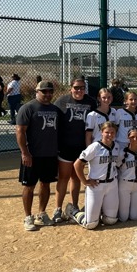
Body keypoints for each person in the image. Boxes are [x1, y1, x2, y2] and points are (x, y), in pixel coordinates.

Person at [16, 81, 60, 231]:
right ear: (37, 91)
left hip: (50, 154)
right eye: (44, 91)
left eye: (50, 92)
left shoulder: (55, 110)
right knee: (29, 186)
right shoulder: (28, 108)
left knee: (46, 184)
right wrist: (25, 153)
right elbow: (20, 131)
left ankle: (41, 214)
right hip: (32, 155)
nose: (47, 94)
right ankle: (28, 217)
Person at [53, 78, 97, 223]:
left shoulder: (90, 102)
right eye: (76, 88)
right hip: (65, 146)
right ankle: (58, 209)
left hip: (81, 147)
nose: (79, 91)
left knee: (76, 177)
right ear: (71, 88)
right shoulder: (62, 101)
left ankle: (74, 206)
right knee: (63, 177)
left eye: (82, 88)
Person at [66, 121, 121, 230]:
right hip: (96, 185)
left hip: (112, 185)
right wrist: (85, 182)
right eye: (107, 132)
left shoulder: (116, 146)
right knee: (90, 224)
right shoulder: (95, 146)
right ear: (101, 132)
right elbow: (77, 164)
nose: (110, 135)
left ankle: (98, 211)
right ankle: (73, 211)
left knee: (111, 220)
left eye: (112, 132)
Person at [116, 128, 137, 222]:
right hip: (125, 184)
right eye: (132, 137)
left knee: (134, 217)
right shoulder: (122, 153)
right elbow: (116, 167)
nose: (135, 139)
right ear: (128, 138)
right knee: (123, 217)